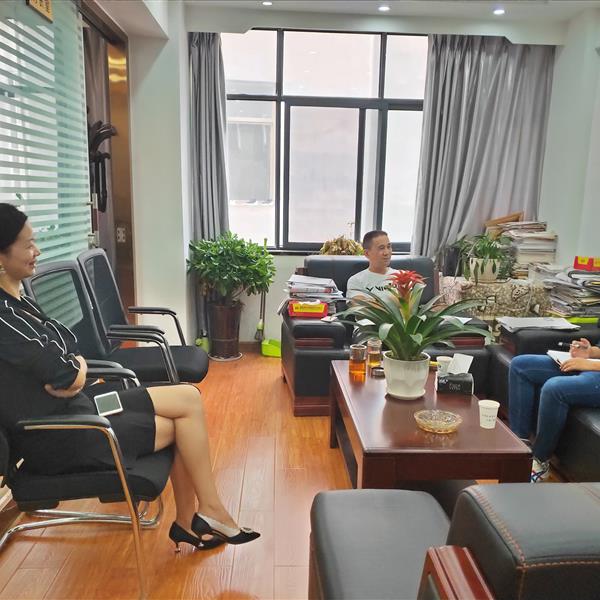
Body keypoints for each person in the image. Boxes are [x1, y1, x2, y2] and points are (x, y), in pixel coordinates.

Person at [0, 203, 259, 550]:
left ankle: (200, 515)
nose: (38, 251)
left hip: (83, 406)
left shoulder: (19, 301)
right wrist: (73, 369)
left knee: (187, 397)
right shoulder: (4, 318)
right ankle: (199, 517)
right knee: (181, 427)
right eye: (28, 244)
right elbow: (65, 372)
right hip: (66, 433)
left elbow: (70, 349)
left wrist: (75, 368)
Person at [508, 338, 600, 482]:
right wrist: (590, 352)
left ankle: (540, 461)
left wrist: (591, 365)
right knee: (520, 365)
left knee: (554, 388)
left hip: (595, 369)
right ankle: (519, 449)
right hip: (592, 365)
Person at [346, 230, 397, 301]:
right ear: (367, 253)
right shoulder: (356, 280)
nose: (387, 252)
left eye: (388, 247)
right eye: (381, 248)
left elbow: (411, 303)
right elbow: (361, 304)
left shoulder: (403, 276)